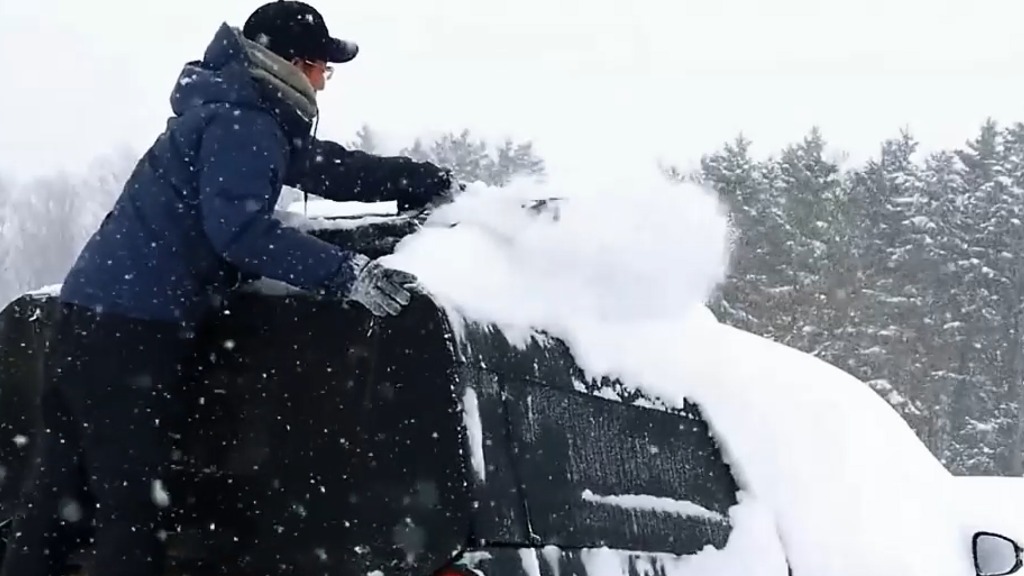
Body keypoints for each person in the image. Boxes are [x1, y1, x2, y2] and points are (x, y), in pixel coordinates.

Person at [0, 2, 457, 575]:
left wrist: (412, 178)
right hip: (131, 333)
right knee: (128, 513)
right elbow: (240, 233)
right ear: (296, 63)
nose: (324, 82)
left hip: (88, 318)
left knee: (54, 504)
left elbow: (325, 168)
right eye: (323, 68)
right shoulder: (245, 123)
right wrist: (349, 274)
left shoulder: (235, 110)